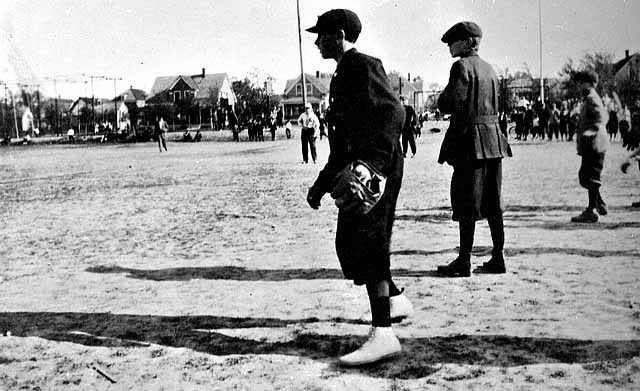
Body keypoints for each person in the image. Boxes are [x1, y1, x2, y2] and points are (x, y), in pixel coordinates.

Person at [304, 9, 412, 367]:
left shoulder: (363, 65)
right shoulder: (343, 72)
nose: (317, 41)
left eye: (321, 35)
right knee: (352, 244)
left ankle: (384, 334)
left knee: (369, 244)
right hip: (360, 168)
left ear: (338, 34)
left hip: (375, 171)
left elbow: (394, 114)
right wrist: (321, 185)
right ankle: (394, 300)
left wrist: (373, 170)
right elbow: (341, 144)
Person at [435, 21, 512, 277]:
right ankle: (498, 257)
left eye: (453, 41)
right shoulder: (490, 69)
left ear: (469, 41)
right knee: (493, 202)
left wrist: (440, 99)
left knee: (465, 200)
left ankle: (464, 260)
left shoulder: (461, 67)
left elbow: (451, 102)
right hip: (493, 141)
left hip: (469, 143)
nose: (449, 46)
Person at [570, 70, 609, 223]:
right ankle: (598, 202)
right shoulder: (588, 98)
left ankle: (592, 210)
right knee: (586, 177)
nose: (579, 86)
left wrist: (590, 132)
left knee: (589, 177)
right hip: (591, 144)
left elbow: (603, 117)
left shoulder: (593, 98)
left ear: (590, 83)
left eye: (582, 83)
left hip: (596, 144)